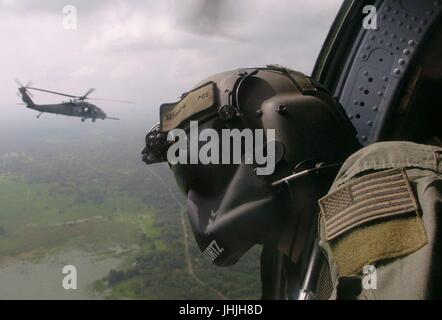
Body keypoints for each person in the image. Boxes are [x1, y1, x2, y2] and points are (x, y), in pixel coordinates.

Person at [142, 65, 442, 299]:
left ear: (282, 135)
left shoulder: (375, 199)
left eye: (207, 170)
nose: (197, 197)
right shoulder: (286, 262)